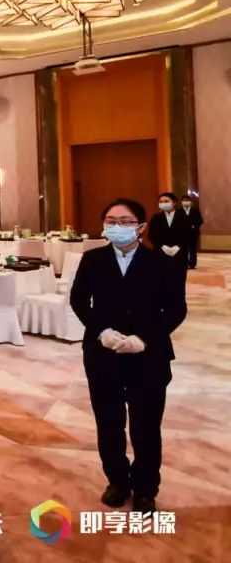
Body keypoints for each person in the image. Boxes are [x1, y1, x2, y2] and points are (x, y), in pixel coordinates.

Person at [70, 198, 186, 513]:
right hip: (103, 354)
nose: (117, 227)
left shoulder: (162, 263)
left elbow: (176, 309)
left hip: (148, 356)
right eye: (111, 221)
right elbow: (79, 300)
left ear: (141, 227)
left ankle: (146, 488)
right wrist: (101, 331)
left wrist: (143, 339)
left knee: (146, 425)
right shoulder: (93, 260)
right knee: (108, 422)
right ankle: (117, 481)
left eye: (125, 222)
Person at [147, 192, 189, 277]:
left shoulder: (183, 217)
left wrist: (178, 247)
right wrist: (162, 246)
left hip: (180, 254)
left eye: (166, 201)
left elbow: (189, 235)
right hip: (160, 252)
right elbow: (151, 234)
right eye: (161, 202)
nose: (163, 204)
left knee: (178, 279)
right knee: (161, 279)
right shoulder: (156, 217)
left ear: (174, 203)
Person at [180, 195, 203, 269]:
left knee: (193, 249)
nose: (185, 202)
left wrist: (194, 226)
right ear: (181, 202)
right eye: (184, 201)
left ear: (190, 202)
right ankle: (184, 263)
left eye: (187, 200)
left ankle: (192, 264)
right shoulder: (178, 211)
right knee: (183, 249)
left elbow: (200, 221)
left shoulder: (195, 210)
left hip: (193, 233)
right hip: (182, 234)